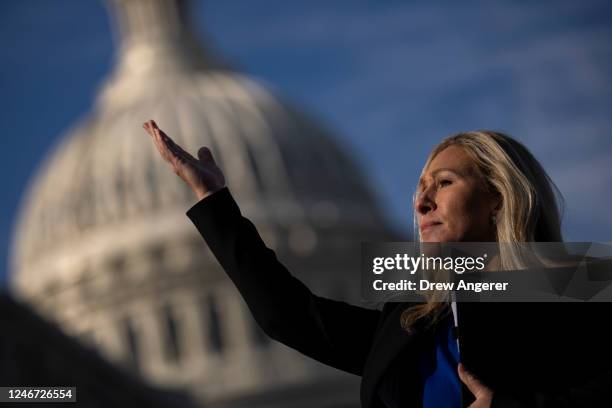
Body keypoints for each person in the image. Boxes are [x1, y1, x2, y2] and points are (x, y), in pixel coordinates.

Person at [143, 120, 612, 407]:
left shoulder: (575, 279)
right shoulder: (414, 319)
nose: (422, 201)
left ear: (497, 197)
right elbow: (287, 316)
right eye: (420, 187)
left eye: (444, 183)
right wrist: (213, 199)